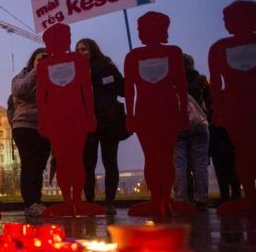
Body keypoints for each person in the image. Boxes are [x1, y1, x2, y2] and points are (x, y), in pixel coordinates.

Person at [124, 11, 194, 217]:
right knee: (151, 156)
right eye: (139, 29)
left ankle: (167, 197)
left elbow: (181, 85)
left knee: (166, 155)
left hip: (168, 111)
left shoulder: (173, 53)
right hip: (145, 113)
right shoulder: (133, 56)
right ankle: (156, 196)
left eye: (143, 29)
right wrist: (131, 116)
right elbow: (129, 89)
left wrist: (182, 112)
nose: (140, 33)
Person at [36, 23, 102, 216]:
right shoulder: (45, 66)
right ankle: (67, 200)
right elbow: (42, 96)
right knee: (62, 159)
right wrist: (44, 120)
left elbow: (86, 90)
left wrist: (90, 115)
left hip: (77, 117)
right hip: (56, 119)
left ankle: (76, 200)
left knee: (76, 159)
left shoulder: (78, 60)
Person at [209, 0, 256, 216]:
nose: (227, 23)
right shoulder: (219, 48)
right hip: (236, 108)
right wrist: (218, 110)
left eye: (230, 18)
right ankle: (250, 195)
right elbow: (216, 84)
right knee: (242, 152)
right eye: (225, 19)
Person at [76, 38, 126, 215]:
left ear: (93, 50)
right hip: (87, 122)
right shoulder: (75, 71)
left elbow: (123, 90)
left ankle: (110, 202)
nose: (81, 52)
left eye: (84, 49)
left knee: (110, 161)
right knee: (88, 163)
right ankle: (90, 201)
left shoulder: (107, 67)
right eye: (78, 50)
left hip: (108, 121)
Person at [9, 47, 51, 217]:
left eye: (46, 59)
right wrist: (37, 71)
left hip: (45, 126)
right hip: (25, 125)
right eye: (40, 59)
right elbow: (21, 90)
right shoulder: (22, 77)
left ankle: (36, 201)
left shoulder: (52, 77)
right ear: (32, 61)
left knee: (40, 166)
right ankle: (29, 203)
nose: (43, 61)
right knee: (29, 164)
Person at [173, 54, 210, 210]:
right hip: (199, 123)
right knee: (200, 163)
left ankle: (181, 199)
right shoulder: (201, 80)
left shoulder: (171, 81)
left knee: (179, 163)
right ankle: (202, 199)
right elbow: (209, 101)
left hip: (177, 123)